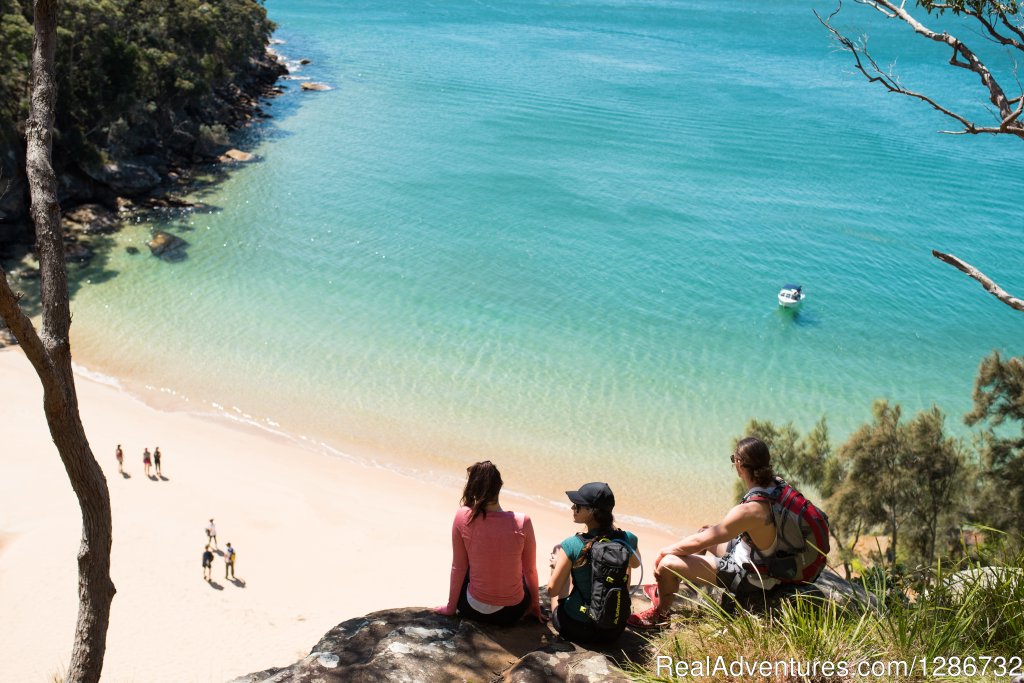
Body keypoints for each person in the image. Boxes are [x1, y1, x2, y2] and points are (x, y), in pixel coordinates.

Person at [628, 437, 783, 629]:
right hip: (767, 559)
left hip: (751, 576)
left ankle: (661, 614)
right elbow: (708, 535)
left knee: (667, 564)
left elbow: (701, 542)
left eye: (734, 458)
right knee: (705, 529)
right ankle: (684, 589)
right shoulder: (778, 486)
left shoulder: (750, 510)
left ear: (739, 464)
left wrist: (663, 553)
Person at [435, 461, 542, 625]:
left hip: (471, 609)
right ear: (499, 486)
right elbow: (530, 570)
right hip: (512, 613)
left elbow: (459, 567)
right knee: (519, 569)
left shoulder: (463, 516)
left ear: (472, 488)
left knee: (470, 563)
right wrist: (535, 605)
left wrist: (451, 608)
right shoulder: (523, 521)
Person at [548, 482, 640, 644]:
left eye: (577, 505)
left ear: (591, 511)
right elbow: (635, 564)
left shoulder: (572, 544)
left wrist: (555, 566)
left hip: (576, 628)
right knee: (623, 561)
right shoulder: (628, 539)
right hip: (613, 631)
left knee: (560, 560)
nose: (572, 508)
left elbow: (551, 590)